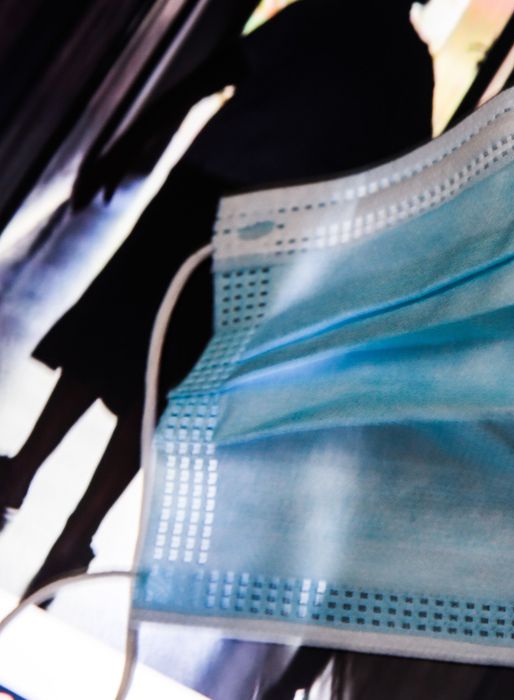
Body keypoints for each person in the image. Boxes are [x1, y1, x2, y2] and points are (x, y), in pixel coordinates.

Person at [0, 0, 433, 604]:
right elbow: (402, 183)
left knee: (108, 337)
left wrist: (126, 141)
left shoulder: (319, 15)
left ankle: (20, 473)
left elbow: (209, 76)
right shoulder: (409, 67)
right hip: (276, 235)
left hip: (203, 191)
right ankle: (74, 536)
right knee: (168, 382)